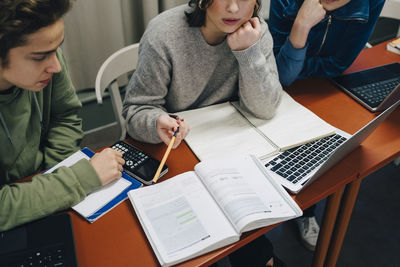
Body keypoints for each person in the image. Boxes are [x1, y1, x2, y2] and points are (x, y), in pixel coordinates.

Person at [122, 0, 284, 265]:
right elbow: (136, 110)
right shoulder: (164, 33)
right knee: (192, 248)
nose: (233, 9)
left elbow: (265, 108)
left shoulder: (256, 31)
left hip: (228, 150)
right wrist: (157, 120)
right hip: (176, 153)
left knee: (252, 234)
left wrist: (248, 52)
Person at [268, 0, 385, 251]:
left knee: (328, 156)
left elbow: (338, 64)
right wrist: (301, 24)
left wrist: (295, 61)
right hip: (278, 85)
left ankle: (307, 213)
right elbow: (281, 75)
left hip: (327, 84)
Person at [0, 0, 125, 231]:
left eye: (57, 49)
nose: (56, 67)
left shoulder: (47, 60)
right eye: (39, 57)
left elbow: (65, 116)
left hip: (47, 186)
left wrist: (58, 181)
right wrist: (77, 180)